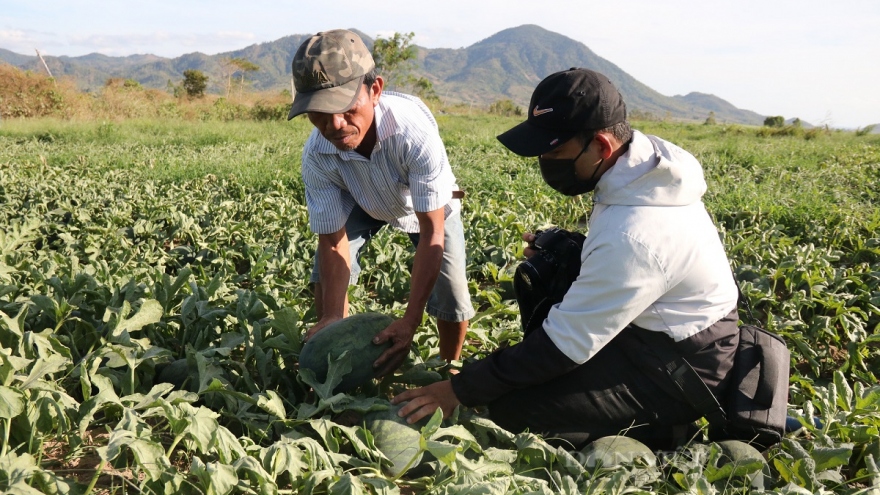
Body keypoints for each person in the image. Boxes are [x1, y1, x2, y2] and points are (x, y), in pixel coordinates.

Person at [393, 68, 740, 450]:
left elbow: (564, 345)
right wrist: (572, 248)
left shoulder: (635, 232)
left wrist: (459, 389)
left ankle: (664, 432)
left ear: (602, 147)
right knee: (551, 270)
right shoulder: (643, 167)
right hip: (659, 329)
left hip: (680, 366)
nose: (545, 160)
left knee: (511, 414)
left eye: (555, 151)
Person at [288, 29, 475, 376]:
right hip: (361, 196)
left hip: (424, 204)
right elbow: (332, 241)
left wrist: (409, 320)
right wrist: (331, 315)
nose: (335, 125)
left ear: (374, 90)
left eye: (345, 108)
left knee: (451, 292)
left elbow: (432, 233)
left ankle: (448, 370)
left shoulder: (412, 134)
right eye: (319, 113)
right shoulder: (318, 154)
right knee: (324, 278)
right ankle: (336, 361)